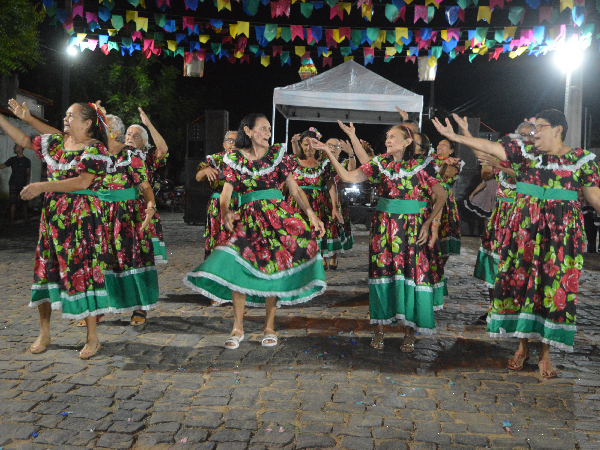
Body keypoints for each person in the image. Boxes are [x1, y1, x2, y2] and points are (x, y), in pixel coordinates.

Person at [432, 110, 600, 379]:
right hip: (524, 233)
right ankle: (521, 348)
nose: (534, 135)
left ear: (558, 129)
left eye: (540, 128)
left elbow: (595, 198)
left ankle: (545, 355)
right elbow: (489, 147)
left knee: (552, 288)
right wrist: (456, 136)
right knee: (520, 286)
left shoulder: (581, 161)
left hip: (559, 237)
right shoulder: (526, 155)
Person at [185, 114, 326, 349]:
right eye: (263, 128)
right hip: (249, 218)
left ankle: (269, 326)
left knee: (273, 267)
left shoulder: (277, 156)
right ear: (248, 131)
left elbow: (295, 189)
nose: (268, 133)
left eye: (269, 129)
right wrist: (225, 211)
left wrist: (311, 214)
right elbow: (226, 192)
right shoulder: (235, 159)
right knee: (240, 266)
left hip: (277, 218)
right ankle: (237, 327)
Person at [312, 124, 447, 352]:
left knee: (410, 276)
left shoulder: (423, 165)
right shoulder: (381, 163)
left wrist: (429, 222)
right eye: (387, 136)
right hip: (385, 228)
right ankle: (379, 329)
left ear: (407, 142)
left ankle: (409, 331)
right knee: (383, 273)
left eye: (393, 136)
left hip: (413, 229)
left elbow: (441, 196)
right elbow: (346, 175)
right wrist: (328, 151)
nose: (388, 139)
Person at [0, 102, 111, 359]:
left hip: (81, 218)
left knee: (82, 270)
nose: (65, 118)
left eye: (71, 115)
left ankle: (92, 337)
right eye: (66, 114)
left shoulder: (96, 149)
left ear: (87, 123)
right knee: (46, 269)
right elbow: (26, 140)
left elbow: (82, 181)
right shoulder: (59, 145)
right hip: (53, 219)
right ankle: (44, 332)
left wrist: (41, 186)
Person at [289, 128, 344, 270]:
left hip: (319, 205)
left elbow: (331, 185)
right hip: (297, 206)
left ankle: (316, 267)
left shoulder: (324, 163)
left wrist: (335, 207)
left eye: (312, 144)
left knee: (317, 236)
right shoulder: (293, 161)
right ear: (300, 145)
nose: (309, 148)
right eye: (305, 144)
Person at [196, 130, 239, 306]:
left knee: (238, 247)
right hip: (218, 210)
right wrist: (205, 170)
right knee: (217, 246)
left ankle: (239, 290)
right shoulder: (214, 159)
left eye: (237, 141)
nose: (233, 144)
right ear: (223, 144)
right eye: (230, 141)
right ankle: (216, 291)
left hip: (239, 206)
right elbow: (197, 177)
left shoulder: (247, 159)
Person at [125, 109, 168, 266]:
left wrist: (149, 125)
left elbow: (163, 150)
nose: (130, 137)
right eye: (128, 134)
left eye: (136, 135)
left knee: (143, 252)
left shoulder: (147, 156)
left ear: (144, 142)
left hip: (143, 206)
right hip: (121, 207)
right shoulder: (118, 155)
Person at [326, 137, 355, 255]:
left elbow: (352, 171)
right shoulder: (321, 161)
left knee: (338, 226)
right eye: (330, 145)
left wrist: (351, 154)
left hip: (340, 200)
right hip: (324, 198)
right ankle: (323, 255)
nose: (332, 148)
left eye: (336, 146)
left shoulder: (344, 162)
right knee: (326, 225)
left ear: (340, 149)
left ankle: (335, 254)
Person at [1, 143, 31, 224]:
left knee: (24, 203)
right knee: (13, 202)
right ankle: (12, 221)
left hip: (22, 185)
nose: (14, 148)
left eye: (16, 146)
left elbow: (28, 174)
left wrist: (26, 185)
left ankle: (25, 220)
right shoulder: (12, 159)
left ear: (21, 148)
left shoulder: (26, 161)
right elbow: (2, 166)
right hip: (13, 184)